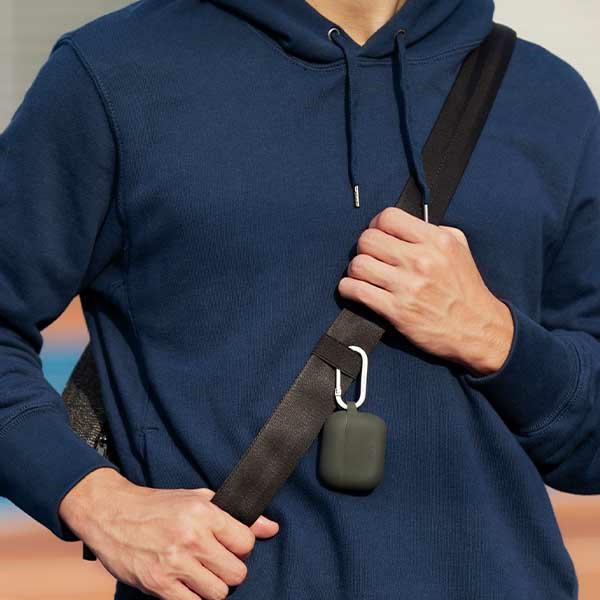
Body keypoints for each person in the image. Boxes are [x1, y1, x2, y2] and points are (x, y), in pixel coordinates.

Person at [0, 0, 599, 598]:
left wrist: (497, 338)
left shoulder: (546, 97)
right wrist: (95, 501)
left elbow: (588, 448)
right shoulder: (115, 71)